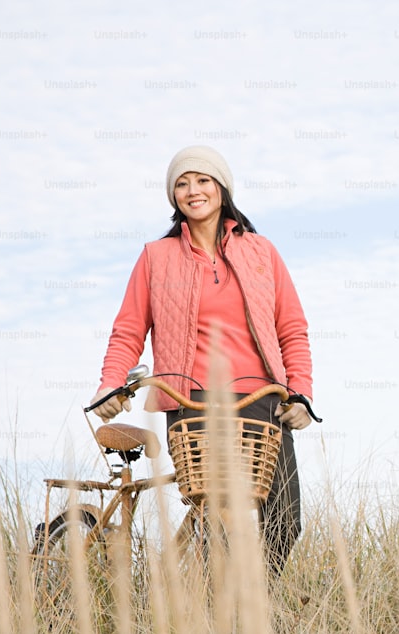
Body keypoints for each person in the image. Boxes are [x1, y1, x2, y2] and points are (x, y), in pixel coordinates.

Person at [90, 144, 314, 574]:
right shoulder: (157, 257)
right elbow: (128, 330)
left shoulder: (261, 252)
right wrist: (110, 382)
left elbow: (292, 329)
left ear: (222, 187)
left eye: (202, 180)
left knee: (285, 519)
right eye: (181, 183)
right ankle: (223, 611)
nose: (192, 190)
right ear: (173, 196)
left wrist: (300, 393)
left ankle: (257, 603)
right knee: (218, 519)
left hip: (262, 397)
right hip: (193, 399)